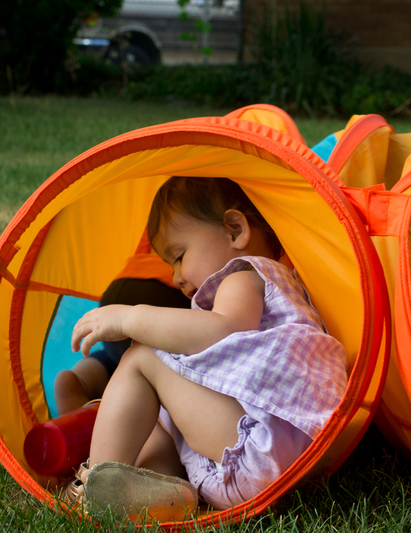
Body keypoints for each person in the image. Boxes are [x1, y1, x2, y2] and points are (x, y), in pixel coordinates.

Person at [65, 176, 348, 521]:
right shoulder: (291, 288)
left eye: (179, 256)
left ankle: (94, 485)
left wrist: (129, 317)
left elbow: (224, 329)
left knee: (142, 356)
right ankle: (155, 487)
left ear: (234, 230)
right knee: (158, 410)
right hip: (297, 460)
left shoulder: (243, 276)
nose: (175, 277)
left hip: (257, 450)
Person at [53, 245, 190, 416]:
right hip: (165, 292)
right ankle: (144, 416)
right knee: (154, 363)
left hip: (130, 276)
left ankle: (83, 381)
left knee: (119, 357)